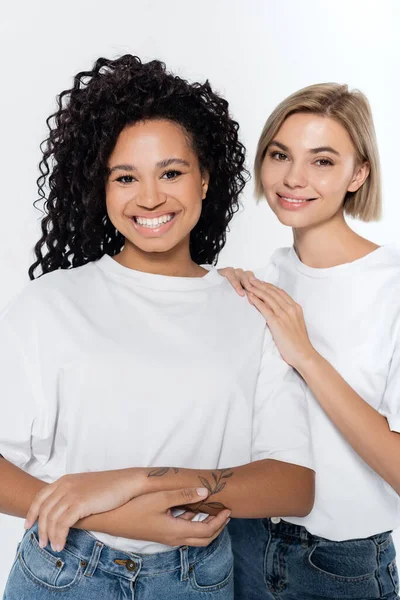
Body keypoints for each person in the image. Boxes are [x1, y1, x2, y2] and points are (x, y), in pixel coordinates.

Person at [0, 55, 314, 600]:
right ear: (102, 188)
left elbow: (293, 485)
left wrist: (124, 483)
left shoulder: (251, 307)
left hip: (197, 578)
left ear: (205, 179)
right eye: (126, 177)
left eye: (171, 172)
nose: (149, 198)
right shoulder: (53, 302)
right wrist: (122, 515)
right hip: (65, 570)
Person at [222, 83, 400, 599]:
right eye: (280, 155)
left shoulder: (391, 287)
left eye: (322, 161)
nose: (293, 178)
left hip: (337, 564)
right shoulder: (266, 277)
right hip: (243, 540)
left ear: (358, 173)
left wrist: (305, 355)